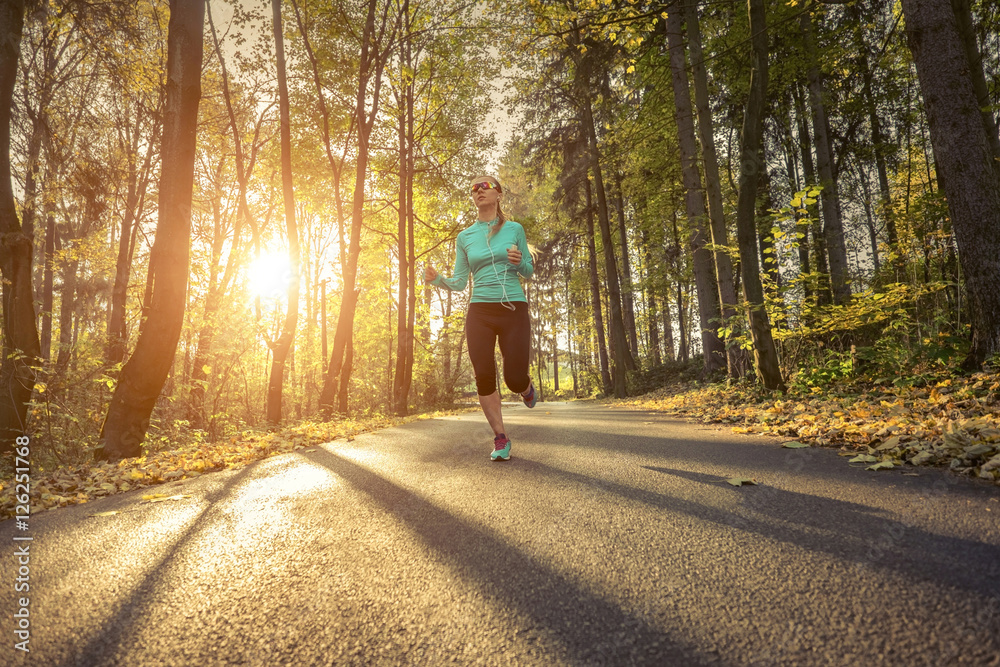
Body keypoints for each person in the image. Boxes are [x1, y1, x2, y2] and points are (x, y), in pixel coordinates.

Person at [424, 175, 536, 461]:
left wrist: (518, 262)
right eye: (473, 188)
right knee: (484, 376)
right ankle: (501, 438)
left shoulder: (514, 229)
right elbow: (461, 282)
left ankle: (525, 388)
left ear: (498, 194)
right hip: (480, 311)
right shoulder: (465, 237)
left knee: (513, 378)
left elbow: (528, 270)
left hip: (513, 308)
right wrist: (438, 280)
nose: (478, 191)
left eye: (484, 186)